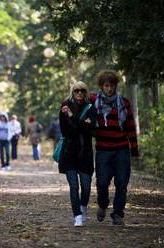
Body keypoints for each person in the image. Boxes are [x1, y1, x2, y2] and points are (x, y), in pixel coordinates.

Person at [91, 70, 139, 226]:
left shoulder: (123, 103)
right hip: (103, 150)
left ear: (116, 86)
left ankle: (118, 214)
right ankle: (103, 204)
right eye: (106, 85)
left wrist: (134, 148)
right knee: (102, 182)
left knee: (122, 183)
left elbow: (130, 125)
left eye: (112, 85)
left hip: (121, 149)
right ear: (101, 86)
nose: (109, 89)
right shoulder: (93, 101)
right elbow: (77, 101)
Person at [59, 81, 96, 227]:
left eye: (82, 91)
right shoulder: (65, 105)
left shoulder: (91, 108)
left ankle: (83, 207)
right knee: (73, 185)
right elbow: (65, 131)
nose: (79, 93)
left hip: (85, 153)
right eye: (76, 91)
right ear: (72, 92)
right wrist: (81, 124)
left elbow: (90, 129)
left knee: (86, 187)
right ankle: (77, 215)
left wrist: (72, 117)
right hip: (69, 152)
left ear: (86, 92)